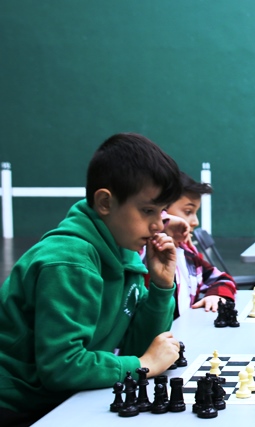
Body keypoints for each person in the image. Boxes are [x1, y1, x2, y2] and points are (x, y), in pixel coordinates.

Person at [0, 133, 183, 426]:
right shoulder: (70, 261)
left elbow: (140, 347)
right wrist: (143, 365)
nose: (157, 225)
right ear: (105, 202)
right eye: (147, 210)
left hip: (61, 400)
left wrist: (161, 287)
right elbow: (62, 367)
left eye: (161, 212)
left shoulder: (123, 251)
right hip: (17, 408)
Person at [162, 172, 237, 318]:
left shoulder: (188, 252)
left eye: (195, 212)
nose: (195, 222)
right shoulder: (142, 252)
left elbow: (222, 279)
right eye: (188, 212)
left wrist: (215, 295)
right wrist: (163, 222)